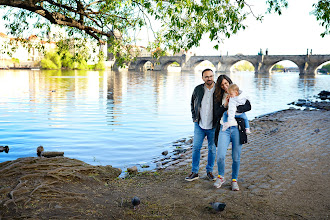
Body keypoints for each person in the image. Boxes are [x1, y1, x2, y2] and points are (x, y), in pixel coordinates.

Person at [213, 75, 251, 191]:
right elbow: (216, 113)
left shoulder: (238, 93)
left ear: (230, 82)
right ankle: (220, 177)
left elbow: (248, 106)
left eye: (226, 83)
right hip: (224, 128)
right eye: (222, 85)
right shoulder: (218, 97)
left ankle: (234, 180)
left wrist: (234, 108)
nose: (225, 86)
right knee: (220, 156)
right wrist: (226, 105)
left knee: (236, 157)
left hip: (237, 128)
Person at [185, 68, 217, 181]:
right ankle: (195, 172)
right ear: (203, 78)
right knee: (196, 148)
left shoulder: (219, 89)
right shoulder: (198, 89)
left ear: (213, 76)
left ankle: (210, 171)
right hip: (199, 124)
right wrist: (194, 118)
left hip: (213, 125)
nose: (209, 78)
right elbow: (192, 102)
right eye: (207, 76)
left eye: (211, 76)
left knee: (212, 149)